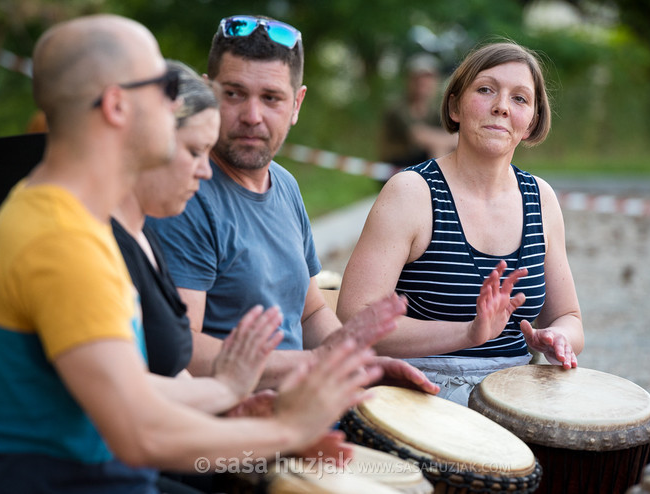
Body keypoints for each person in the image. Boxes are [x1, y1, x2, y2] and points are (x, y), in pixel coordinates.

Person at [0, 15, 390, 493]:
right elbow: (139, 435)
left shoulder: (69, 217)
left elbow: (129, 386)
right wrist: (283, 432)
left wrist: (226, 389)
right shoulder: (61, 242)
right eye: (162, 85)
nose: (183, 99)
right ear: (117, 106)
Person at [337, 40, 650, 456]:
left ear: (531, 122)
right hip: (419, 390)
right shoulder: (412, 193)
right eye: (485, 90)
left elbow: (568, 317)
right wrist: (468, 333)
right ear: (455, 107)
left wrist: (557, 338)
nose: (501, 106)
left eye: (519, 98)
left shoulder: (540, 198)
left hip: (515, 388)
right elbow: (355, 319)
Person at [147, 15, 439, 395]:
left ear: (296, 103)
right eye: (234, 94)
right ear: (208, 93)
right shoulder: (186, 194)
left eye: (271, 98)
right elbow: (184, 351)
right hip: (232, 426)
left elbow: (311, 313)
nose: (253, 116)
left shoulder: (285, 184)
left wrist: (360, 363)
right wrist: (317, 365)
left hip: (303, 403)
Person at [379, 53, 457, 171]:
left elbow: (454, 136)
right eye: (419, 79)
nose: (424, 83)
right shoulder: (398, 109)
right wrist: (452, 140)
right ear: (409, 80)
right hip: (398, 165)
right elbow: (418, 136)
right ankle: (439, 186)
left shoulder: (435, 111)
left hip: (420, 162)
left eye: (429, 79)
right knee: (439, 146)